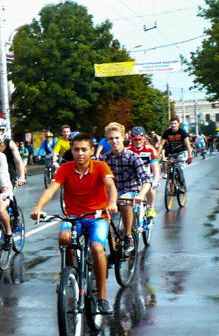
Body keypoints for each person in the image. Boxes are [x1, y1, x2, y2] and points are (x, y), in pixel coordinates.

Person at [31, 133, 117, 315]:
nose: (80, 153)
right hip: (73, 216)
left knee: (97, 249)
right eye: (76, 149)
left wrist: (111, 203)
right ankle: (69, 275)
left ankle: (102, 297)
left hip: (97, 216)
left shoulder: (100, 166)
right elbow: (51, 190)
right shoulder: (65, 168)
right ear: (72, 150)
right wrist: (38, 207)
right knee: (64, 237)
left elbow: (110, 186)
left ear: (92, 150)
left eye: (84, 149)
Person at [98, 122, 152, 251]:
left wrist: (141, 195)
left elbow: (146, 179)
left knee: (124, 200)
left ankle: (128, 236)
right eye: (111, 138)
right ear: (107, 140)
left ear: (123, 137)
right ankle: (102, 243)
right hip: (111, 196)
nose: (114, 141)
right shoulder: (104, 159)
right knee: (98, 213)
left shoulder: (133, 157)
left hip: (130, 193)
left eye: (117, 137)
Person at [127, 126, 161, 218]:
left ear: (144, 138)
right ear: (132, 139)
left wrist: (156, 180)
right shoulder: (127, 149)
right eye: (135, 139)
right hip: (133, 176)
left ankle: (151, 207)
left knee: (150, 187)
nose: (138, 142)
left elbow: (155, 167)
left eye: (140, 139)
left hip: (146, 174)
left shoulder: (151, 149)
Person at [0, 118, 26, 186]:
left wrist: (22, 177)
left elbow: (19, 161)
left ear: (4, 131)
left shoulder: (10, 143)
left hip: (9, 175)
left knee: (7, 192)